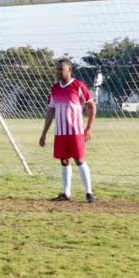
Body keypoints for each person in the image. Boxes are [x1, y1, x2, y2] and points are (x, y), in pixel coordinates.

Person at [39, 58, 97, 202]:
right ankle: (66, 194)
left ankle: (89, 193)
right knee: (64, 161)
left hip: (76, 131)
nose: (58, 72)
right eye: (57, 69)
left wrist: (88, 128)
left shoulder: (78, 85)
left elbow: (92, 106)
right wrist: (44, 133)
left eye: (61, 69)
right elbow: (51, 111)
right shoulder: (55, 88)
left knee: (79, 160)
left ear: (69, 70)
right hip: (60, 132)